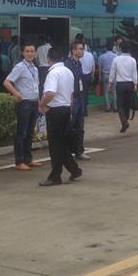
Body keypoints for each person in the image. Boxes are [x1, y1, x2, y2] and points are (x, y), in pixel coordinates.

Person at [38, 48, 82, 186]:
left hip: (55, 111)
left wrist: (41, 105)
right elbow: (71, 93)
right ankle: (74, 169)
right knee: (61, 143)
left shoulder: (53, 73)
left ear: (49, 58)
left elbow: (50, 92)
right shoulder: (68, 71)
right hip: (66, 108)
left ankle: (55, 176)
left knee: (55, 145)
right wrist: (70, 109)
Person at [3, 44, 44, 170]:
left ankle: (28, 159)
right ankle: (19, 161)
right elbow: (7, 82)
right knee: (22, 133)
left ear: (35, 53)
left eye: (32, 51)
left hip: (34, 103)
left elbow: (36, 88)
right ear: (23, 53)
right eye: (27, 51)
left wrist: (39, 104)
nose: (30, 53)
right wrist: (17, 94)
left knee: (30, 133)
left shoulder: (35, 69)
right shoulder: (19, 67)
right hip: (24, 104)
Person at [65, 41, 90, 160]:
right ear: (73, 50)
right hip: (73, 98)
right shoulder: (67, 64)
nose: (82, 51)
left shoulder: (79, 63)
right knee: (71, 125)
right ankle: (69, 151)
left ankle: (79, 151)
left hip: (80, 97)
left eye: (83, 49)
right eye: (80, 49)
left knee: (80, 125)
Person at [109, 41, 138, 133]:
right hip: (130, 84)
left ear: (120, 49)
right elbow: (134, 73)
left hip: (120, 84)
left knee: (120, 105)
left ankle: (124, 121)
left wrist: (110, 82)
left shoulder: (116, 59)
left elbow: (112, 71)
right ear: (129, 49)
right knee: (127, 103)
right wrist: (135, 84)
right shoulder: (133, 60)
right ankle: (125, 118)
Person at [77, 34, 95, 116]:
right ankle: (85, 110)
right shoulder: (90, 55)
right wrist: (92, 75)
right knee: (85, 93)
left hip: (81, 77)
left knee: (81, 94)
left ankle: (83, 110)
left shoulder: (79, 55)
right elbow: (93, 66)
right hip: (88, 76)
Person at [97, 41, 118, 112]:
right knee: (114, 91)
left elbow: (100, 68)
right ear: (112, 48)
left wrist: (99, 76)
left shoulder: (101, 56)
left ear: (105, 48)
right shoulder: (116, 56)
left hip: (105, 75)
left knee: (106, 92)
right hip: (113, 75)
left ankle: (108, 108)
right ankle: (115, 107)